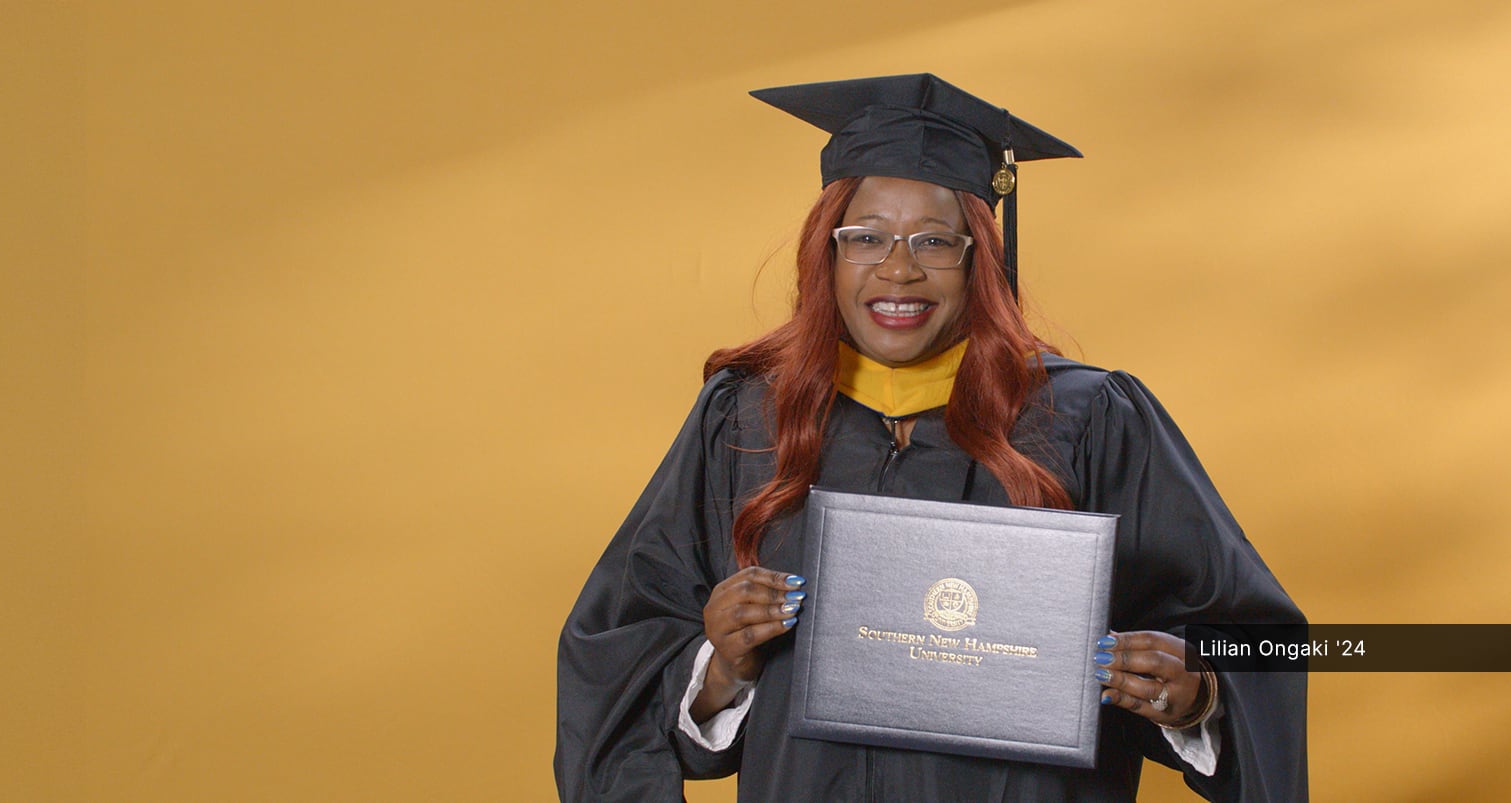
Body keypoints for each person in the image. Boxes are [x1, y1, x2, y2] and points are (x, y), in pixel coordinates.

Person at [555, 74, 1306, 802]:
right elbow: (617, 651)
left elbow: (1267, 641)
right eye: (867, 237)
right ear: (827, 254)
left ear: (980, 257)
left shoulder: (1089, 418)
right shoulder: (746, 419)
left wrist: (1199, 691)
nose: (899, 268)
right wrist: (722, 668)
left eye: (935, 241)